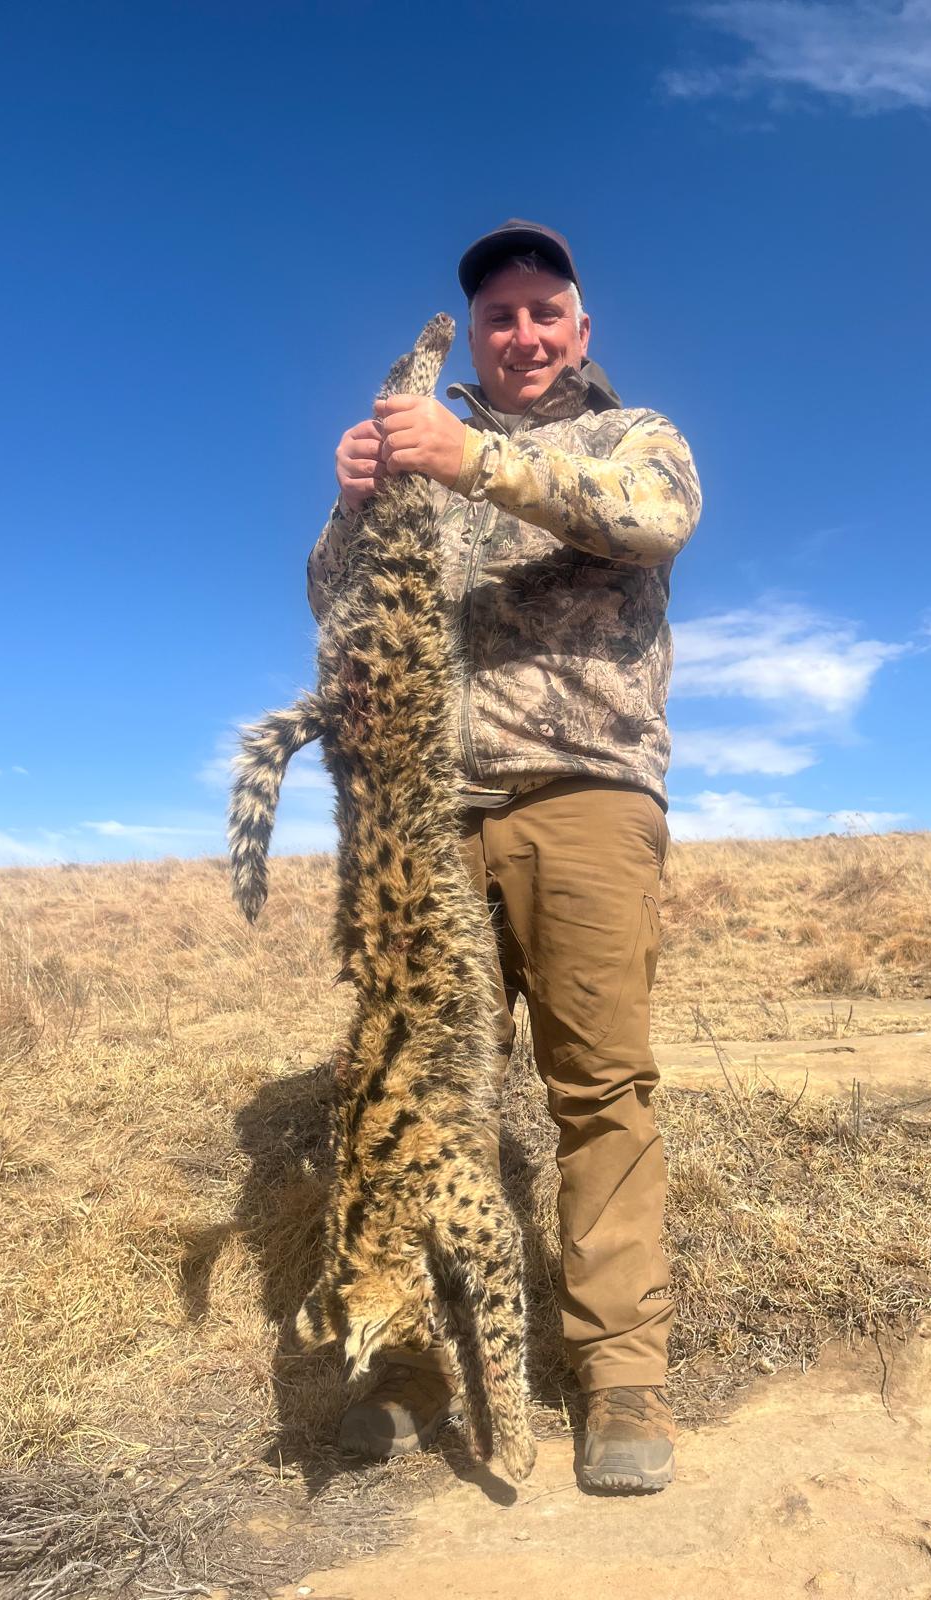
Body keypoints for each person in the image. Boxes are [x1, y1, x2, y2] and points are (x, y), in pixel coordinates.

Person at [306, 220, 702, 1492]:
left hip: (584, 795)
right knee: (415, 1096)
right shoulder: (422, 450)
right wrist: (356, 502)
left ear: (580, 330)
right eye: (499, 316)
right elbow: (332, 597)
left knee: (599, 1089)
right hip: (423, 819)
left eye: (544, 312)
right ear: (474, 334)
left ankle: (620, 1374)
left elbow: (654, 520)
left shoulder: (631, 434)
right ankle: (407, 1355)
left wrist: (472, 457)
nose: (522, 333)